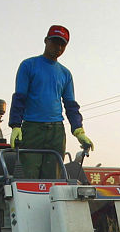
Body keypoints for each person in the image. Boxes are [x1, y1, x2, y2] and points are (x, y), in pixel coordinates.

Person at [8, 24, 95, 179]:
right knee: (29, 178)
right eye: (55, 42)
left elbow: (70, 105)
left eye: (62, 44)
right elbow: (20, 97)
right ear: (46, 40)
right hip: (32, 129)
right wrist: (15, 125)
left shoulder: (65, 74)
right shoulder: (28, 65)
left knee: (53, 180)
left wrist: (79, 131)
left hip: (56, 132)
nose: (58, 47)